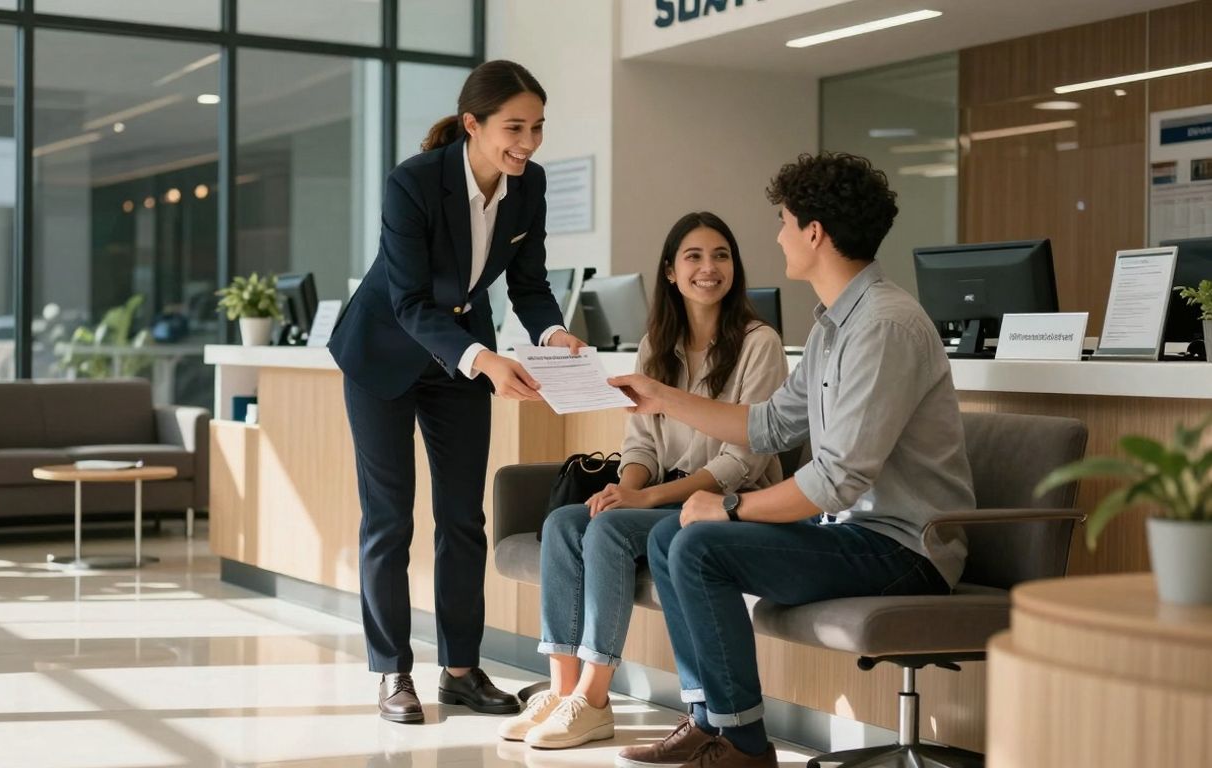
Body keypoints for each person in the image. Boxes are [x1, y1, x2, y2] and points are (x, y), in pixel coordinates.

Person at [608, 152, 976, 768]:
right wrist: (663, 396)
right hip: (855, 534)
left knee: (700, 543)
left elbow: (836, 479)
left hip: (905, 551)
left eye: (784, 220)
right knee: (678, 535)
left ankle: (746, 747)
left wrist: (729, 506)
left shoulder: (883, 327)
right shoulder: (837, 325)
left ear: (814, 233)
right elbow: (769, 423)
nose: (776, 235)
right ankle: (710, 721)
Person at [327, 60, 586, 724]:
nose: (527, 142)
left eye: (536, 128)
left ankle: (461, 672)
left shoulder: (529, 187)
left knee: (463, 520)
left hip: (457, 362)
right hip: (383, 355)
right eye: (513, 127)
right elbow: (410, 301)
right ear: (472, 124)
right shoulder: (413, 183)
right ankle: (391, 674)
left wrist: (554, 334)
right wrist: (484, 359)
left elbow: (527, 284)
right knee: (389, 519)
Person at [497, 212, 788, 750]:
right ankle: (564, 691)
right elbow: (641, 445)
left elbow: (740, 462)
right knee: (568, 520)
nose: (709, 268)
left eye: (720, 255)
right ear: (671, 273)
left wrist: (644, 497)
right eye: (694, 257)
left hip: (726, 500)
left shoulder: (759, 343)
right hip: (663, 496)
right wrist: (623, 488)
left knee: (608, 531)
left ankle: (595, 698)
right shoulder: (657, 342)